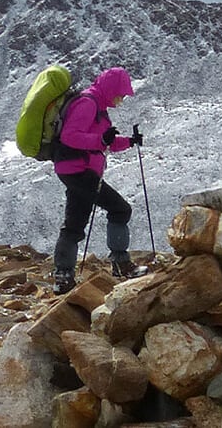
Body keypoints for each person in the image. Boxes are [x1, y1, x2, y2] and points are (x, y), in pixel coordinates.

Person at [51, 67, 146, 294]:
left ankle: (63, 277)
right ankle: (121, 263)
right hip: (79, 169)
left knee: (74, 224)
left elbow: (106, 142)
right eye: (121, 94)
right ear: (111, 88)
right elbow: (70, 136)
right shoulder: (88, 104)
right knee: (120, 209)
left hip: (73, 169)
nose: (121, 99)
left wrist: (129, 141)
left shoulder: (99, 106)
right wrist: (100, 139)